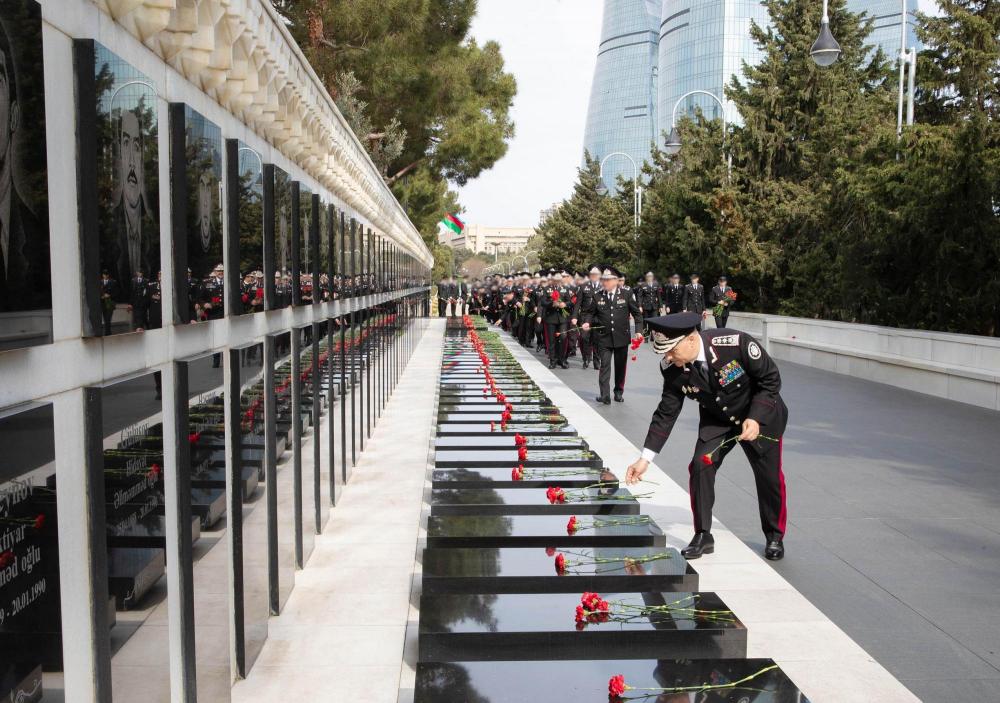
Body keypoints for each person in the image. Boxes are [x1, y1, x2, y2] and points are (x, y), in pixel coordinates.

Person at [625, 313, 789, 561]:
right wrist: (644, 459)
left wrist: (755, 417)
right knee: (700, 465)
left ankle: (774, 536)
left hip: (760, 416)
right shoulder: (672, 369)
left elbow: (770, 379)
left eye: (671, 351)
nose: (668, 357)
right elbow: (666, 413)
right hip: (718, 420)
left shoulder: (735, 344)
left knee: (769, 478)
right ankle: (703, 535)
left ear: (691, 340)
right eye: (664, 353)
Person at [583, 267, 643, 403]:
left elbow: (637, 314)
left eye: (608, 280)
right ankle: (605, 395)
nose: (604, 282)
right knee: (604, 365)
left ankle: (618, 392)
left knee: (620, 367)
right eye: (603, 280)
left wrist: (638, 330)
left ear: (616, 281)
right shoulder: (597, 295)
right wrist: (587, 322)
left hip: (621, 336)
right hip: (604, 337)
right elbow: (590, 313)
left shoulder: (626, 294)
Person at [538, 270, 572, 369]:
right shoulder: (546, 289)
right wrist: (552, 304)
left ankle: (562, 359)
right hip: (551, 318)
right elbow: (543, 302)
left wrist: (565, 304)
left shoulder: (565, 289)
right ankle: (553, 360)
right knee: (552, 340)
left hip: (563, 318)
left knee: (563, 338)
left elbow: (570, 302)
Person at [572, 265, 602, 370]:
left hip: (598, 317)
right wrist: (574, 316)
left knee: (597, 339)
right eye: (592, 274)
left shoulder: (603, 286)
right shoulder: (584, 286)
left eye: (596, 274)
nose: (594, 275)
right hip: (585, 316)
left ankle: (597, 360)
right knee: (584, 338)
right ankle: (586, 358)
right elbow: (578, 304)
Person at [636, 271, 664, 339]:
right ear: (646, 277)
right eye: (648, 276)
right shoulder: (643, 285)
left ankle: (652, 336)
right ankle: (646, 336)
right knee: (645, 322)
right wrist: (640, 306)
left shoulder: (656, 284)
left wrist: (661, 306)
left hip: (654, 306)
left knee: (654, 321)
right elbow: (640, 296)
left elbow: (659, 296)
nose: (650, 277)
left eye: (651, 276)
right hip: (645, 306)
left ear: (653, 277)